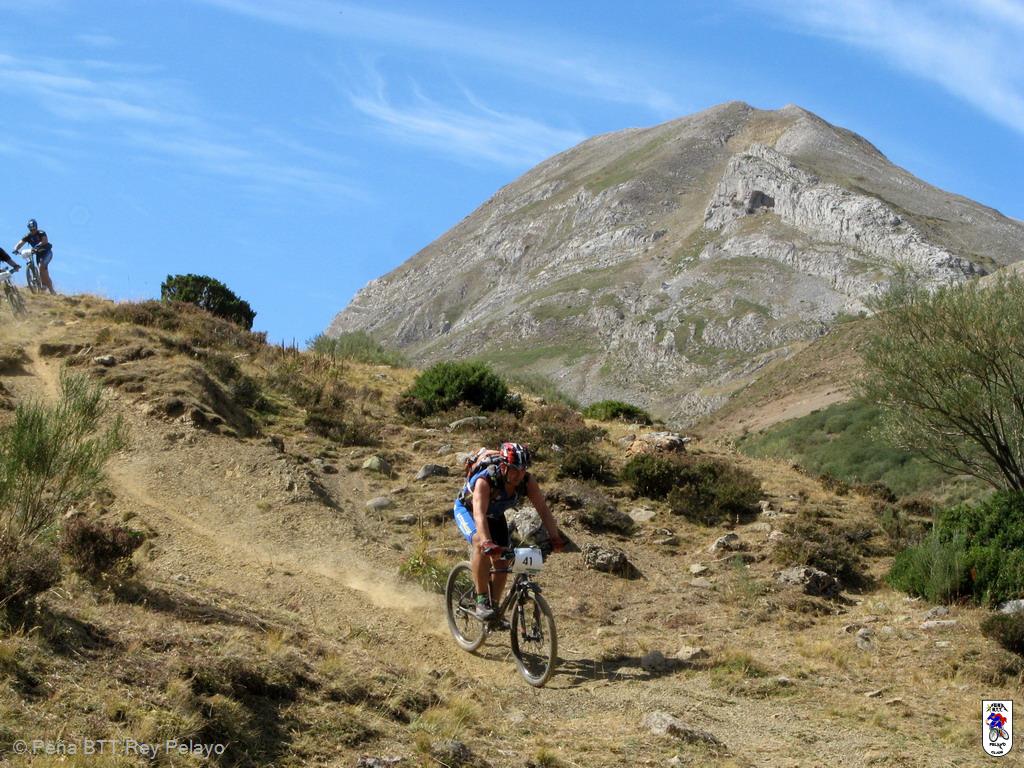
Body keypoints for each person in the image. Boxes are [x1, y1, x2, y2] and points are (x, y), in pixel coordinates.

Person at [452, 442, 564, 620]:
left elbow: (543, 510)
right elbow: (479, 515)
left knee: (503, 563)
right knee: (480, 543)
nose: (519, 474)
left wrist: (555, 537)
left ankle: (495, 610)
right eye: (514, 469)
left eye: (523, 469)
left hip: (494, 515)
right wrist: (487, 542)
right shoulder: (485, 481)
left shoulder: (527, 481)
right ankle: (481, 601)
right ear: (503, 467)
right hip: (468, 511)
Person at [13, 219, 55, 294]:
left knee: (41, 267)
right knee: (43, 272)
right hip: (38, 254)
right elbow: (20, 243)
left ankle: (45, 286)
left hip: (46, 253)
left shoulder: (41, 233)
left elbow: (45, 241)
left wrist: (38, 245)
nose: (32, 231)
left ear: (36, 227)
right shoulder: (28, 236)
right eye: (31, 229)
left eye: (34, 229)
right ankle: (51, 290)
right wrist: (16, 249)